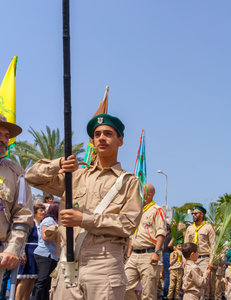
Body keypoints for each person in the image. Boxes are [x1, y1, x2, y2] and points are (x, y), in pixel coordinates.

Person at [25, 113, 142, 300]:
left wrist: (84, 219)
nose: (101, 138)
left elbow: (128, 224)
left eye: (108, 134)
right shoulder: (76, 176)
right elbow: (31, 177)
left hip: (104, 265)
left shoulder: (129, 182)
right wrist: (59, 164)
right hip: (68, 264)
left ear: (120, 140)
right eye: (97, 134)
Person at [0, 114, 33, 285]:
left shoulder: (15, 172)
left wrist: (13, 249)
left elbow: (22, 215)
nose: (4, 139)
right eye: (0, 133)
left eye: (6, 136)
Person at [125, 183, 166, 300]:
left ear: (149, 195)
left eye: (140, 193)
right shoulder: (137, 211)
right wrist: (129, 252)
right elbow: (132, 235)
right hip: (134, 255)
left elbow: (161, 233)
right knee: (123, 286)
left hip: (149, 254)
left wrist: (156, 253)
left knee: (148, 294)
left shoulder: (157, 210)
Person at [15, 203, 46, 300]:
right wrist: (23, 252)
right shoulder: (31, 223)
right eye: (41, 211)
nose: (43, 212)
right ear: (35, 212)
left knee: (32, 280)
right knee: (24, 280)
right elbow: (23, 238)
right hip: (28, 251)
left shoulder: (40, 224)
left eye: (44, 210)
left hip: (37, 254)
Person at [184, 205, 215, 299]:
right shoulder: (189, 228)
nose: (193, 215)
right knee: (191, 282)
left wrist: (211, 260)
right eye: (192, 213)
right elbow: (185, 244)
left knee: (203, 284)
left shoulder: (208, 227)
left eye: (195, 213)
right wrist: (184, 259)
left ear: (202, 215)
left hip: (203, 258)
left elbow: (213, 245)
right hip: (191, 259)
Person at [32, 203, 59, 300]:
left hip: (51, 255)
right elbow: (45, 236)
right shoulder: (49, 220)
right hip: (45, 254)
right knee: (42, 281)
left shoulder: (54, 221)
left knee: (47, 282)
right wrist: (59, 237)